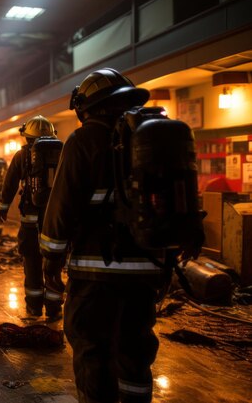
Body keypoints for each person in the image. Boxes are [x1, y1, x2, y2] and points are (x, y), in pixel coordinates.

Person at [39, 68, 204, 403]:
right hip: (147, 268)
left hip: (94, 271)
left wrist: (50, 258)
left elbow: (62, 206)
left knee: (92, 349)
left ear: (86, 107)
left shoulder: (84, 139)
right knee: (136, 350)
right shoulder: (153, 139)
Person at [0, 116, 63, 320]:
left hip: (30, 222)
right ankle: (54, 308)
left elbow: (10, 184)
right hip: (55, 221)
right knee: (54, 263)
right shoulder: (63, 153)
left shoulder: (22, 155)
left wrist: (3, 207)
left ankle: (34, 306)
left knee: (32, 262)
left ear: (27, 137)